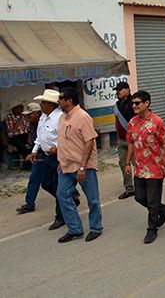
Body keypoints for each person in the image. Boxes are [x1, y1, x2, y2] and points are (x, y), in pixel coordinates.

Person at [17, 91, 77, 230]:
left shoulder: (60, 117)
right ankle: (69, 198)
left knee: (58, 185)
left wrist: (58, 147)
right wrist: (33, 152)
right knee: (46, 183)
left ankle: (61, 217)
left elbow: (66, 137)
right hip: (46, 156)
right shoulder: (43, 117)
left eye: (43, 103)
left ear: (50, 104)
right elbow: (40, 137)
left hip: (58, 156)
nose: (41, 105)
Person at [125, 90, 165, 244]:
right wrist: (127, 163)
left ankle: (152, 229)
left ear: (147, 103)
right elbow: (131, 143)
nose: (134, 106)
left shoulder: (157, 122)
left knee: (152, 201)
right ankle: (163, 209)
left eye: (137, 103)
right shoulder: (132, 122)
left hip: (155, 168)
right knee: (139, 197)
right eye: (133, 103)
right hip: (139, 168)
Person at [56, 87, 103, 243]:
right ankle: (75, 229)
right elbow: (63, 141)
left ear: (69, 100)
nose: (59, 100)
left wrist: (82, 166)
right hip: (66, 165)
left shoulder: (83, 116)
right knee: (62, 195)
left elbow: (89, 142)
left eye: (61, 97)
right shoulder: (62, 118)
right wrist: (60, 160)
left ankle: (96, 228)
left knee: (92, 199)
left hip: (83, 165)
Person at [114, 81, 136, 199]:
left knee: (136, 163)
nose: (118, 92)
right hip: (122, 140)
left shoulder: (134, 103)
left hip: (133, 140)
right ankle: (129, 188)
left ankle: (142, 185)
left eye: (120, 90)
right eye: (117, 90)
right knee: (123, 164)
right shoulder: (117, 105)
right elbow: (117, 122)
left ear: (127, 90)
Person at [4, 100, 31, 170]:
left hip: (24, 135)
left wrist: (28, 136)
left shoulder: (25, 116)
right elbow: (12, 130)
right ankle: (28, 165)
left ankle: (26, 164)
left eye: (22, 107)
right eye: (20, 107)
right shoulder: (9, 117)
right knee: (23, 148)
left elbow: (27, 128)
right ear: (14, 109)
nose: (22, 109)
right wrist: (19, 119)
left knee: (30, 146)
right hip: (14, 137)